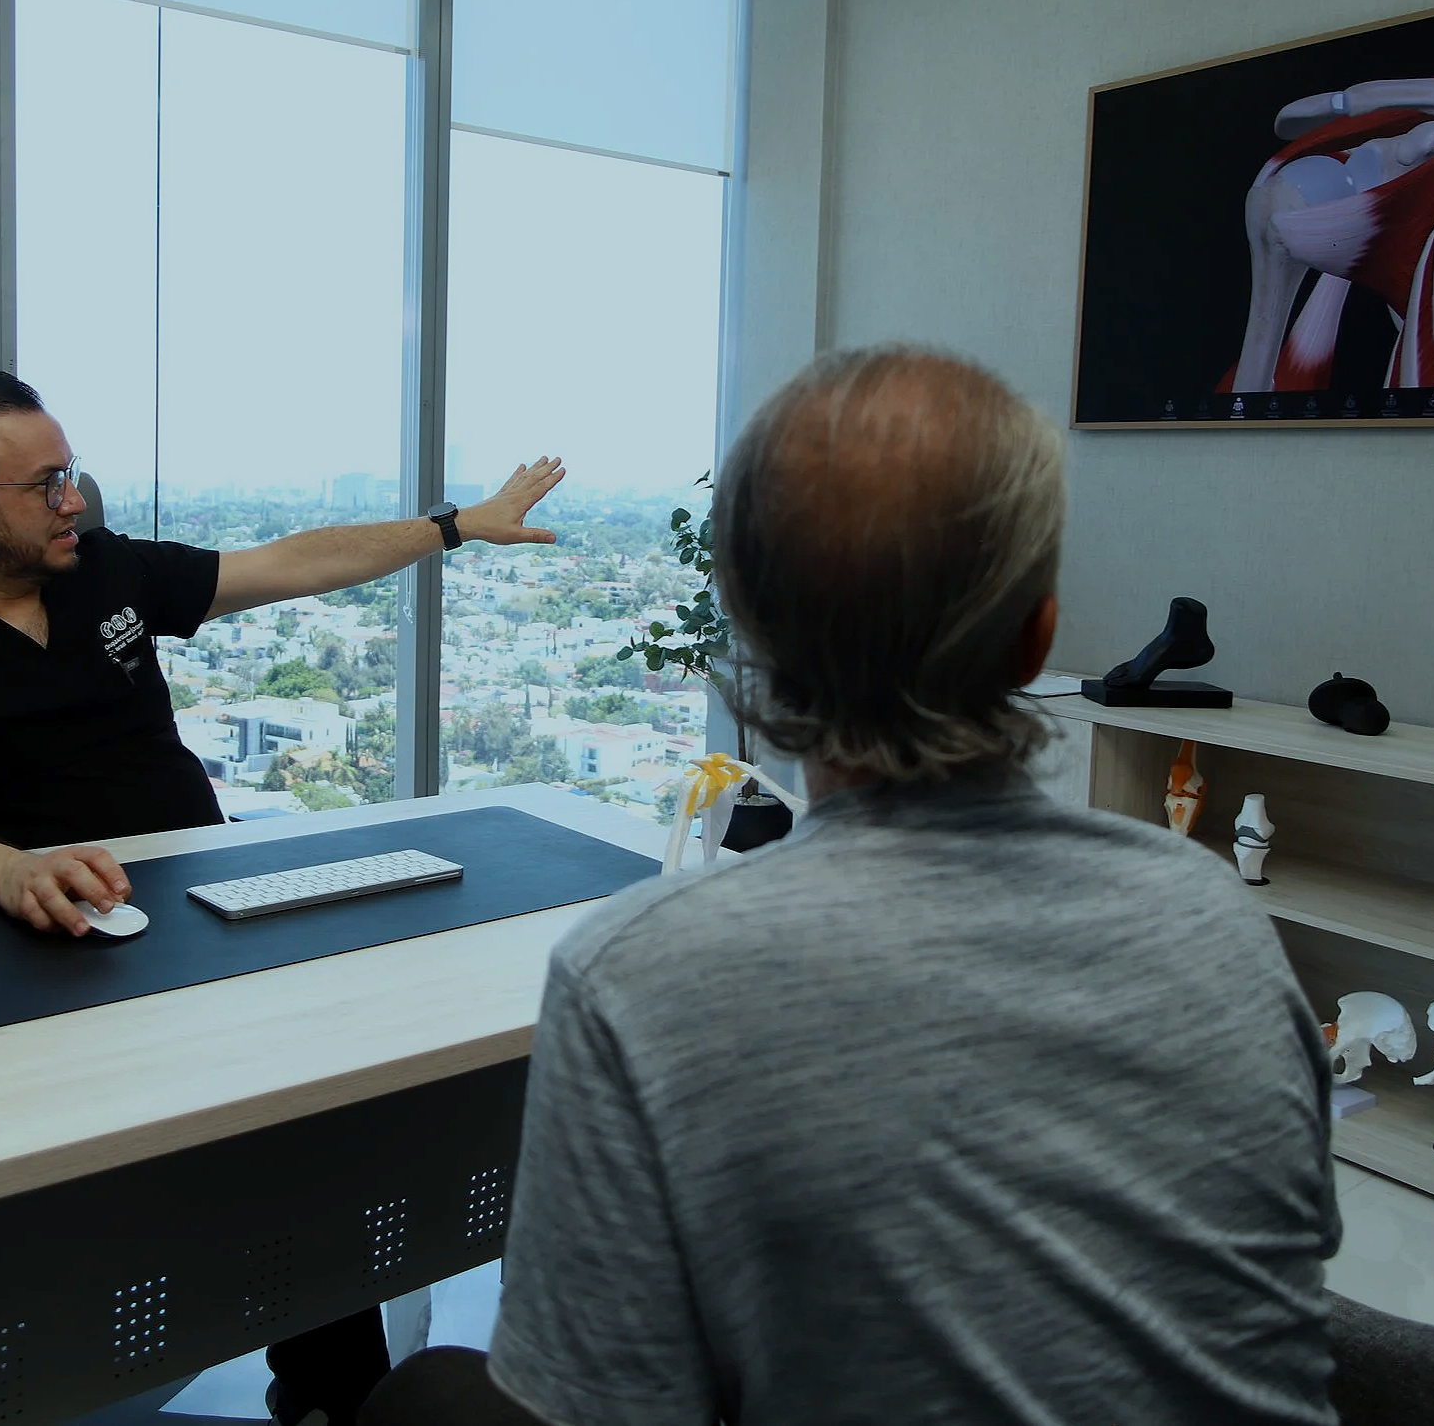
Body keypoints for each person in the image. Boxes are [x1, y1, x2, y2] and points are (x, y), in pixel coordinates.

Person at [359, 346, 1339, 1425]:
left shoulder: (639, 978)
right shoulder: (1218, 922)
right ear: (1036, 635)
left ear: (748, 625)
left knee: (426, 1396)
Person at [0, 370, 565, 1426]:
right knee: (202, 1173)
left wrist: (455, 525)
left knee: (312, 1127)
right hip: (56, 956)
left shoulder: (100, 573)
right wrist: (4, 865)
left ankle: (331, 1390)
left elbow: (286, 563)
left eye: (71, 473)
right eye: (46, 481)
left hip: (201, 914)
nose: (72, 499)